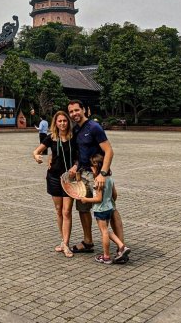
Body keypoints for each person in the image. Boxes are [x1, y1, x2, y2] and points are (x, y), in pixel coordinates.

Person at [66, 99, 125, 258]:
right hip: (83, 174)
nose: (74, 114)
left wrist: (102, 174)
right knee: (83, 207)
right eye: (71, 112)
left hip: (98, 174)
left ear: (84, 109)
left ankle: (121, 246)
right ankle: (88, 242)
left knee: (110, 208)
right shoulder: (76, 130)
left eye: (77, 110)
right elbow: (80, 153)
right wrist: (75, 166)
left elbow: (109, 151)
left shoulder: (94, 127)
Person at [32, 110, 79, 257]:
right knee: (59, 210)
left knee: (67, 211)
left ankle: (66, 243)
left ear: (68, 122)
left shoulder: (74, 137)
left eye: (65, 121)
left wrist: (75, 167)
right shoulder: (51, 137)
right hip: (53, 178)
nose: (63, 124)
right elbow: (36, 151)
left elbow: (80, 156)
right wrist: (38, 157)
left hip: (69, 179)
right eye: (60, 121)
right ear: (56, 123)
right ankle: (63, 241)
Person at [78, 152, 129, 264]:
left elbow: (98, 199)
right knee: (107, 231)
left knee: (104, 232)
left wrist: (86, 200)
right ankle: (121, 245)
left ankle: (106, 256)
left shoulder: (97, 181)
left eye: (92, 166)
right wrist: (110, 203)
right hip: (109, 208)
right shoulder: (109, 178)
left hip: (100, 209)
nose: (90, 168)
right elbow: (114, 194)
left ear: (96, 167)